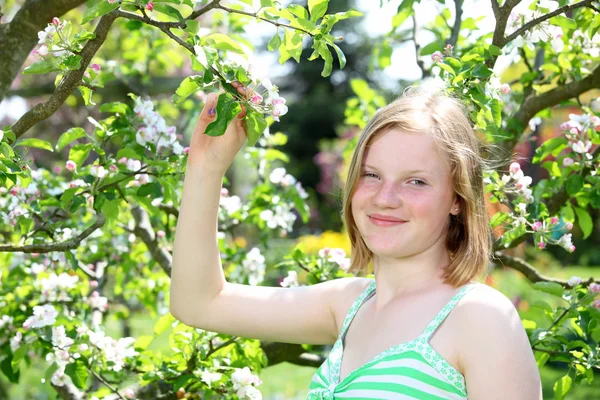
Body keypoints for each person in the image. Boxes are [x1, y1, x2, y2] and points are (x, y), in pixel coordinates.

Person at [170, 81, 543, 399]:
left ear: (458, 199)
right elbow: (199, 303)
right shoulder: (348, 306)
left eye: (416, 181)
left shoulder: (479, 317)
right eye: (371, 175)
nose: (385, 198)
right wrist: (207, 165)